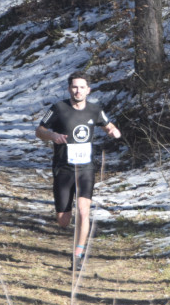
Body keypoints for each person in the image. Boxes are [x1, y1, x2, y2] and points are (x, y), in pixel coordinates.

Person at [35, 71, 121, 267]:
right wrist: (52, 136)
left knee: (84, 212)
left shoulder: (94, 110)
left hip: (85, 169)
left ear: (88, 90)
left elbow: (107, 124)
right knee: (63, 221)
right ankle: (67, 219)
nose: (78, 90)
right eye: (74, 87)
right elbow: (39, 131)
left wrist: (113, 131)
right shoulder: (58, 108)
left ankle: (78, 255)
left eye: (82, 87)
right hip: (63, 169)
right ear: (69, 89)